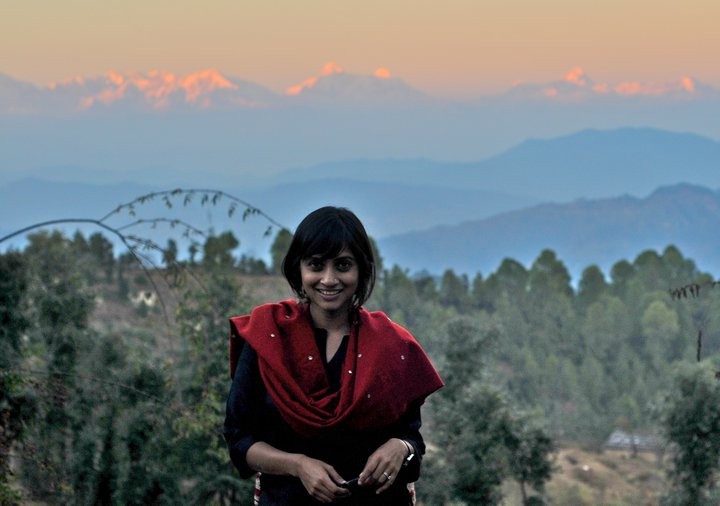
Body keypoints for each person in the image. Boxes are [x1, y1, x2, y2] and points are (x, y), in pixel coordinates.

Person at [224, 206, 443, 505]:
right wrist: (298, 465)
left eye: (342, 265)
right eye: (316, 265)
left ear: (361, 270)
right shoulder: (268, 339)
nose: (328, 279)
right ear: (298, 269)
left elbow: (412, 440)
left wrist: (399, 447)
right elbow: (239, 441)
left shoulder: (390, 345)